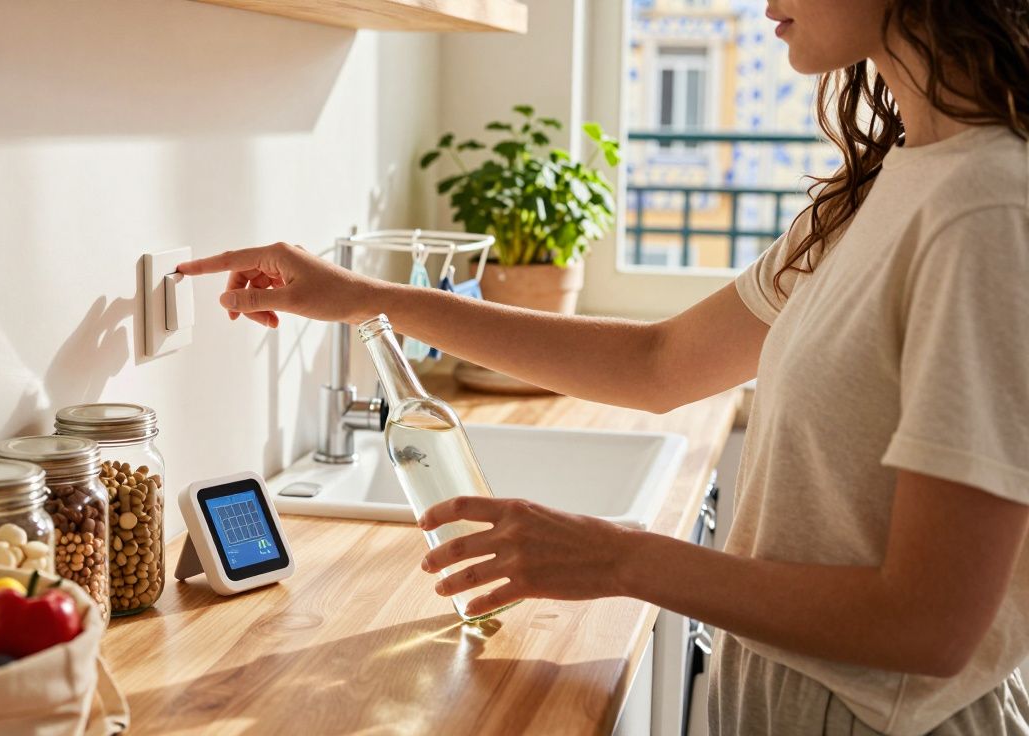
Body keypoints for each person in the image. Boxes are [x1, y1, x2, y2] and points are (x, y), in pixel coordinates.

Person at [177, 1, 1029, 732]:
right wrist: (366, 297)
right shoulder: (885, 186)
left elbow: (930, 625)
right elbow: (658, 362)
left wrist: (623, 560)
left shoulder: (986, 208)